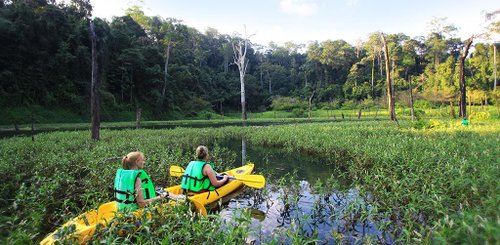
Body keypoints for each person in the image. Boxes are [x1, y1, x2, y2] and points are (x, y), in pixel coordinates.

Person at [114, 151, 179, 211]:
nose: (144, 162)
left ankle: (174, 196)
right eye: (142, 160)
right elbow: (141, 204)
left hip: (122, 209)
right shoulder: (137, 179)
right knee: (164, 194)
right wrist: (160, 197)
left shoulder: (124, 175)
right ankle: (179, 198)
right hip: (134, 212)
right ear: (137, 162)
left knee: (159, 190)